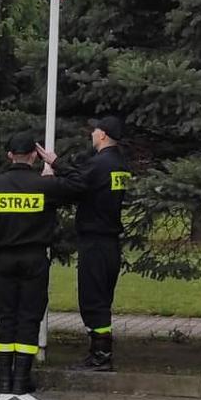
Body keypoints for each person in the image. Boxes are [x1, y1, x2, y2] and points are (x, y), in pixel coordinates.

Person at [0, 132, 86, 394]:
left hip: (4, 258)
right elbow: (81, 185)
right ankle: (21, 380)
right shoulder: (44, 186)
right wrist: (56, 162)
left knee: (5, 317)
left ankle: (4, 380)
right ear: (35, 156)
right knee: (29, 316)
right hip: (35, 258)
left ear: (9, 156)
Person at [73, 116, 130, 371]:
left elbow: (75, 184)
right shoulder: (120, 163)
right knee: (102, 297)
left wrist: (54, 166)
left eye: (95, 130)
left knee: (92, 299)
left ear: (103, 135)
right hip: (110, 241)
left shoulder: (99, 164)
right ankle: (98, 352)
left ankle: (101, 355)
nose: (92, 133)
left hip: (94, 240)